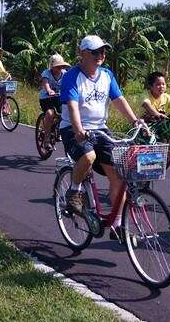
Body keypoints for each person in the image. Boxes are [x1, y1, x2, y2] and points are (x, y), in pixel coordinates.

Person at [60, 36, 146, 241]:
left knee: (119, 174)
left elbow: (119, 100)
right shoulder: (71, 77)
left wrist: (135, 121)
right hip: (74, 129)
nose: (101, 56)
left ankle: (117, 224)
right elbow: (72, 106)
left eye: (103, 52)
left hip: (101, 129)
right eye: (96, 52)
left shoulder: (107, 75)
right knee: (88, 156)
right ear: (83, 53)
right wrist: (79, 130)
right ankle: (74, 192)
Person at [39, 53, 71, 138]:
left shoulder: (64, 73)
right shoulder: (46, 73)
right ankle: (46, 138)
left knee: (65, 113)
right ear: (52, 66)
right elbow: (45, 83)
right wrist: (49, 90)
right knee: (50, 113)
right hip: (46, 98)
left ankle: (53, 127)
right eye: (57, 66)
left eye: (61, 66)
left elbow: (68, 84)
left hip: (59, 97)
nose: (60, 68)